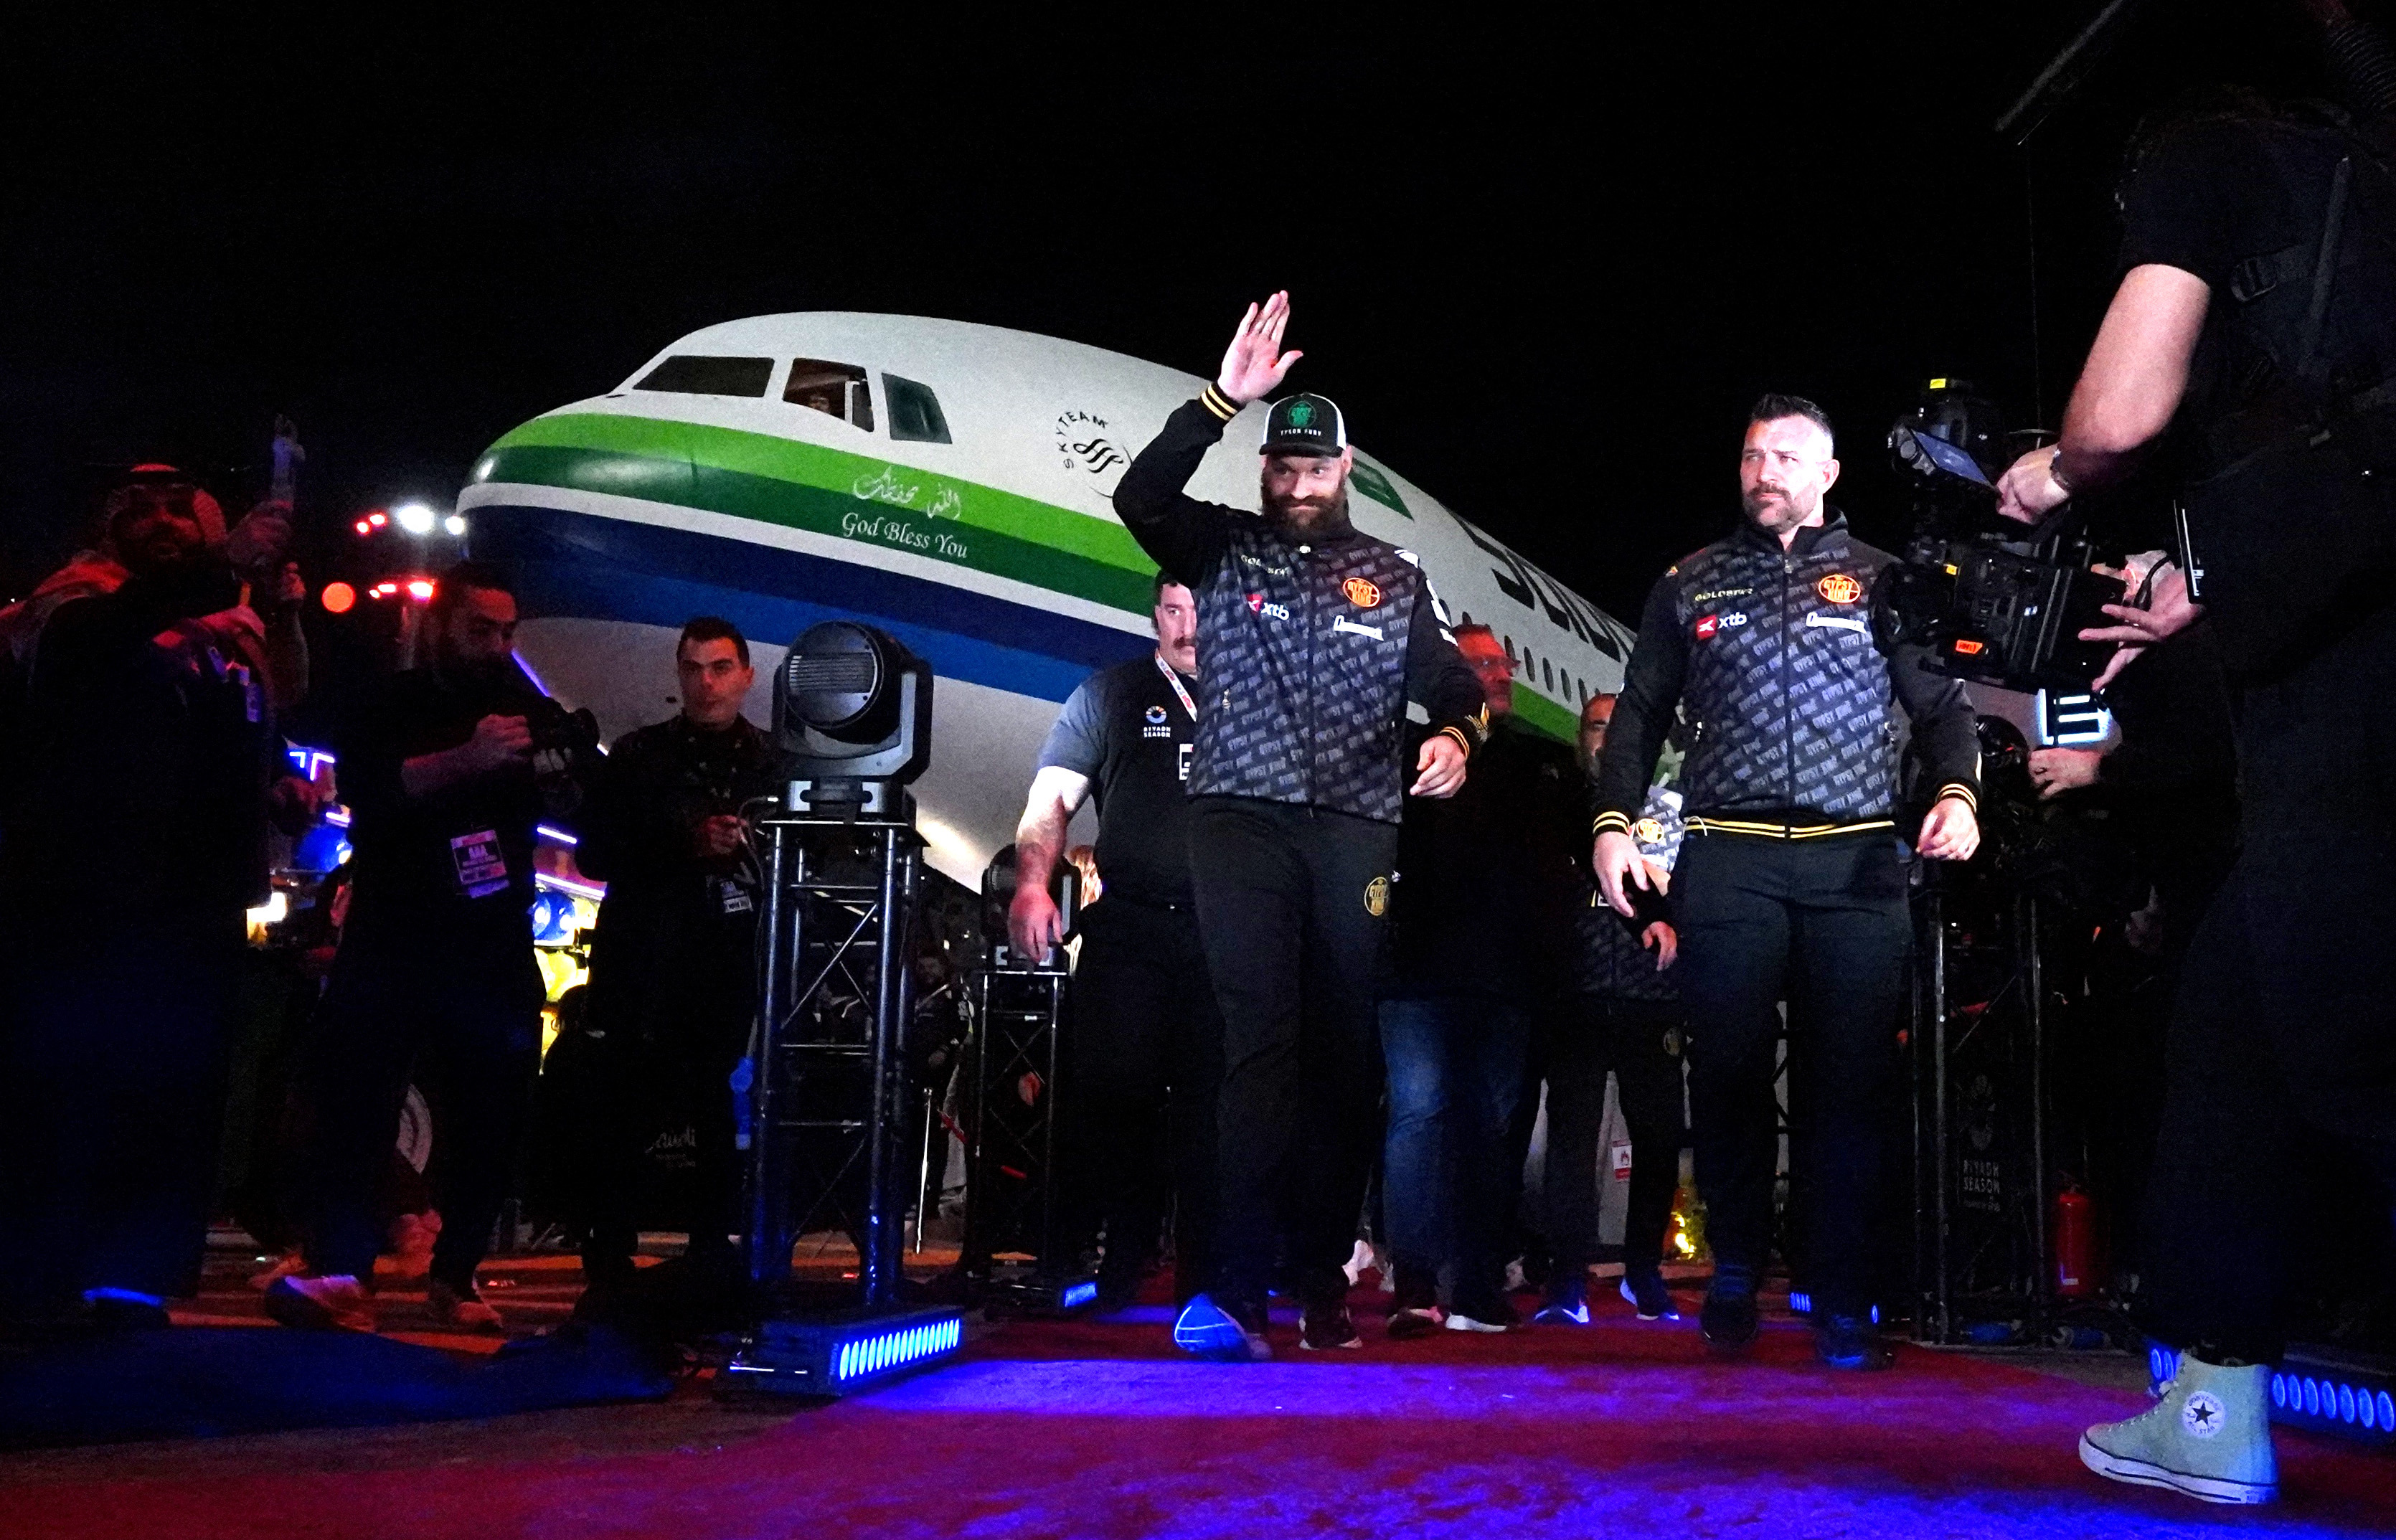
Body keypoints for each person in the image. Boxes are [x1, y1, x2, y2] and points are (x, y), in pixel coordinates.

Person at [1991, 42, 2396, 1502]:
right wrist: (2204, 582)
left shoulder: (2196, 155)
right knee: (2233, 1009)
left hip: (2346, 693)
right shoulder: (2355, 182)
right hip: (2327, 625)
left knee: (2342, 1023)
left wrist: (2051, 469)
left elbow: (2116, 412)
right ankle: (2215, 1398)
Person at [1112, 292, 1489, 1359]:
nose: (1297, 483)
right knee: (1257, 1045)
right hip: (1237, 819)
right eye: (1282, 465)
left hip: (1358, 832)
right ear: (1264, 469)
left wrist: (1457, 737)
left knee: (1340, 1058)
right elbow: (1138, 491)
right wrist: (1222, 397)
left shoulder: (1395, 575)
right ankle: (1233, 1290)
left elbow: (1456, 685)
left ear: (1345, 468)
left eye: (1315, 468)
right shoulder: (1217, 545)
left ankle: (1319, 1278)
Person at [1594, 394, 1982, 1371]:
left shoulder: (1885, 580)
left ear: (1829, 473)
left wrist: (1960, 797)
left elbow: (1943, 711)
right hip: (1728, 859)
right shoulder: (1690, 582)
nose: (1766, 470)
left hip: (1857, 863)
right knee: (1725, 1073)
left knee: (1846, 1087)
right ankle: (1734, 1273)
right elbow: (1636, 714)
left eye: (1788, 456)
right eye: (1753, 453)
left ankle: (1843, 1291)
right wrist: (1613, 822)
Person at [0, 467, 306, 1332]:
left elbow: (280, 699)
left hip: (199, 896)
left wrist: (275, 780)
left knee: (173, 1097)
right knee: (77, 1088)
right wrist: (222, 568)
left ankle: (134, 1286)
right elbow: (90, 651)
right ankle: (41, 1291)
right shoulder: (74, 600)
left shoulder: (222, 617)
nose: (166, 522)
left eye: (182, 508)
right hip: (91, 892)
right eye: (145, 511)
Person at [270, 562, 572, 1333]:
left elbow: (567, 792)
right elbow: (368, 790)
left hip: (491, 928)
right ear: (442, 623)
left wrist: (559, 761)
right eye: (482, 629)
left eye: (508, 632)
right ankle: (343, 1268)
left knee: (496, 1104)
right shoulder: (390, 699)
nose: (498, 645)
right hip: (398, 924)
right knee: (359, 1098)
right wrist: (461, 761)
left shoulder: (522, 702)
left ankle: (457, 1271)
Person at [1008, 574, 1223, 1312]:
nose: (1184, 628)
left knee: (1214, 1108)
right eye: (1171, 611)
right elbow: (1048, 803)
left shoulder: (1260, 698)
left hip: (1225, 933)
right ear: (1153, 616)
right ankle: (1116, 1264)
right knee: (1112, 1097)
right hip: (1129, 926)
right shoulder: (1109, 695)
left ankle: (1211, 1279)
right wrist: (1033, 884)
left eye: (1198, 612)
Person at [1377, 624, 1582, 1338]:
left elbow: (1586, 854)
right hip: (1417, 974)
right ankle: (1415, 1284)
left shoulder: (1545, 763)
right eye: (1477, 664)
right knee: (1417, 1118)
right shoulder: (1405, 753)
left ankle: (1476, 1284)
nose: (1495, 673)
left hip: (1509, 978)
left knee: (1492, 1131)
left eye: (1501, 660)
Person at [572, 617, 781, 1296]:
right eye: (693, 668)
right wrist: (685, 841)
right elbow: (594, 853)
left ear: (746, 675)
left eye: (720, 668)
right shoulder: (638, 756)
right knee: (623, 1104)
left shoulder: (772, 763)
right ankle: (609, 1258)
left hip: (725, 959)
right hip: (644, 955)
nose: (706, 682)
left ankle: (710, 1252)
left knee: (715, 1102)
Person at [1536, 691, 1687, 1328]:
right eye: (1597, 727)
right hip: (1577, 992)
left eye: (1619, 728)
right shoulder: (1561, 803)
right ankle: (1565, 1279)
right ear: (1581, 738)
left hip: (1653, 997)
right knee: (1571, 1142)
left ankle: (1643, 1272)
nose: (1607, 738)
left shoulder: (1677, 811)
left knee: (1657, 1136)